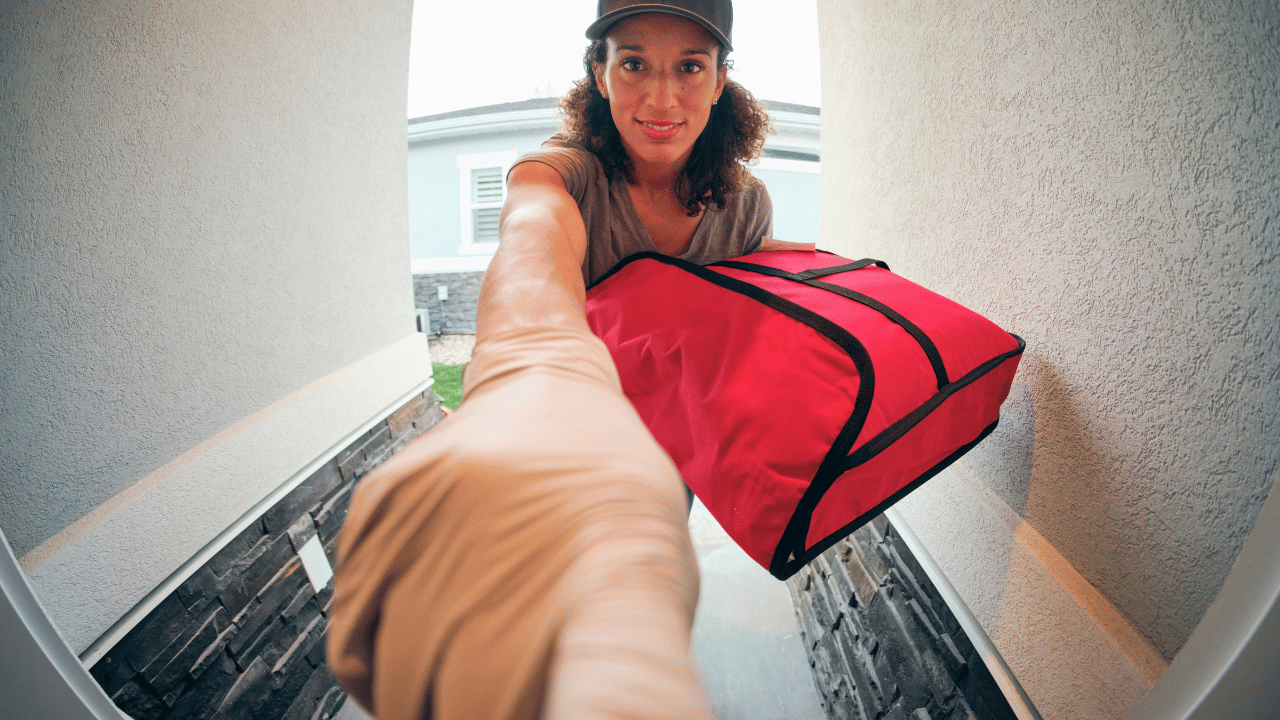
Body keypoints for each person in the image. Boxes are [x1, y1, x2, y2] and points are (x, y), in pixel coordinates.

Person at [327, 2, 767, 718]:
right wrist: (532, 370)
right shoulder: (562, 175)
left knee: (640, 593)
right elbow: (534, 239)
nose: (662, 98)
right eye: (634, 63)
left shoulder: (746, 204)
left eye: (690, 66)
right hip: (553, 424)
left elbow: (732, 327)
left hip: (672, 449)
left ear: (719, 82)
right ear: (600, 71)